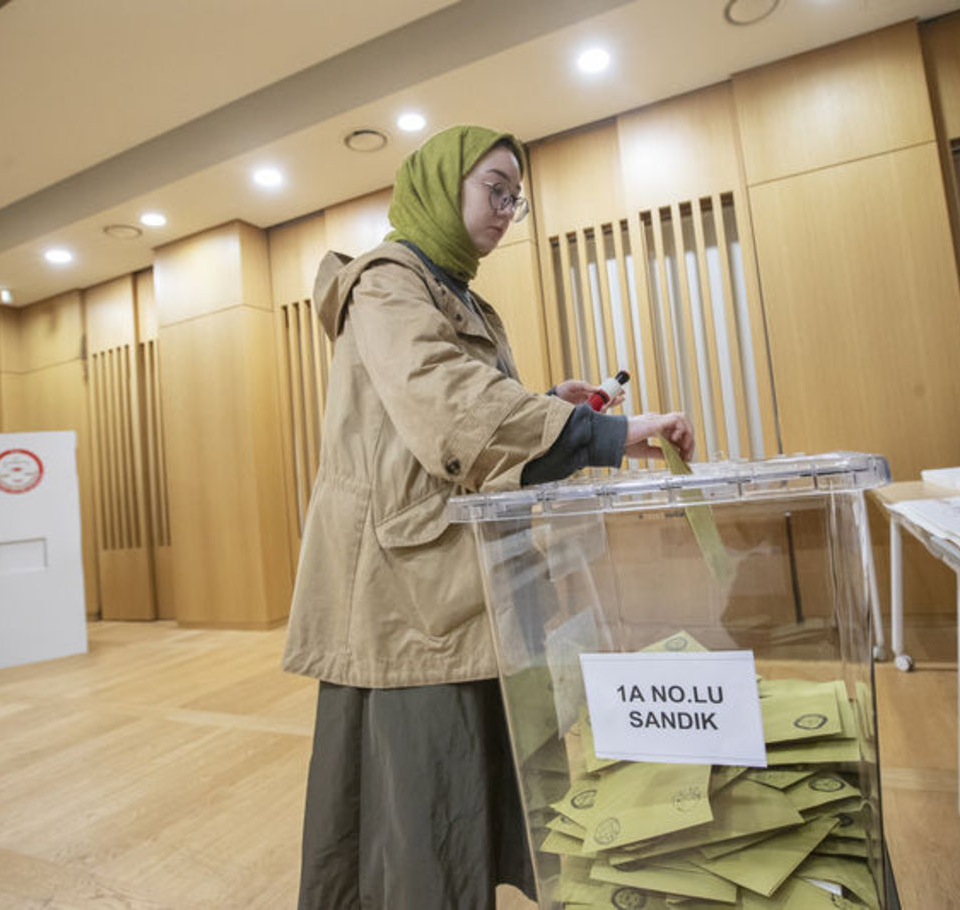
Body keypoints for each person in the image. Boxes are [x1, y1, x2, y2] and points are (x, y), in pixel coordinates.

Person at [280, 125, 694, 910]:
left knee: (462, 790)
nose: (507, 208)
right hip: (408, 582)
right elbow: (445, 404)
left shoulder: (458, 291)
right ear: (441, 185)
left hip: (460, 569)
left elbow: (464, 429)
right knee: (420, 801)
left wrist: (551, 407)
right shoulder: (387, 281)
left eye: (516, 197)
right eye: (494, 188)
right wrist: (605, 434)